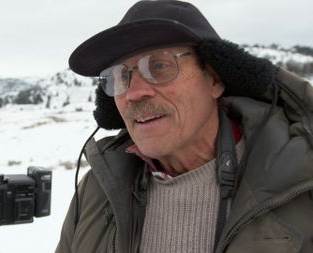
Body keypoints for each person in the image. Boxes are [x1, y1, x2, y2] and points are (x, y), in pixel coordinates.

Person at [56, 1, 313, 252]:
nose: (133, 94)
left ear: (214, 79)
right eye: (121, 76)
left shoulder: (300, 184)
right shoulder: (96, 190)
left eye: (158, 66)